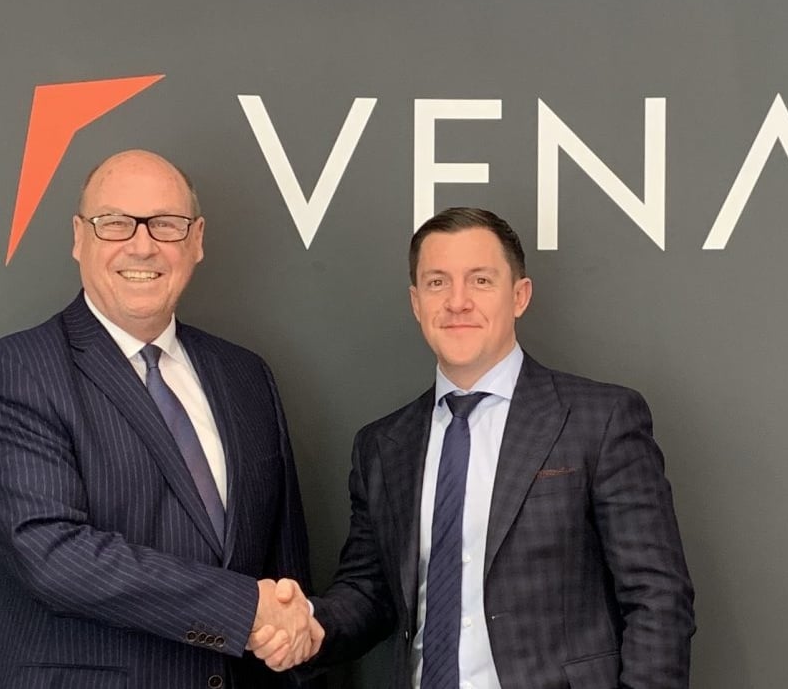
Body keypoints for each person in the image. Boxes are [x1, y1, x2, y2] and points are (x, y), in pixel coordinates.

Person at [255, 206, 695, 688]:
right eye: (437, 283)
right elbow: (369, 592)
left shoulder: (600, 419)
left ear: (519, 296)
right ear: (416, 302)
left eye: (481, 281)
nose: (457, 302)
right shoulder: (383, 446)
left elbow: (657, 598)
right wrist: (312, 627)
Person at [0, 150, 318, 689]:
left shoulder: (245, 375)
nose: (142, 245)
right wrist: (244, 609)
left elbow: (284, 566)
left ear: (197, 240)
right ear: (78, 237)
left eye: (167, 224)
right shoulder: (14, 371)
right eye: (115, 223)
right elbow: (51, 555)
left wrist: (291, 637)